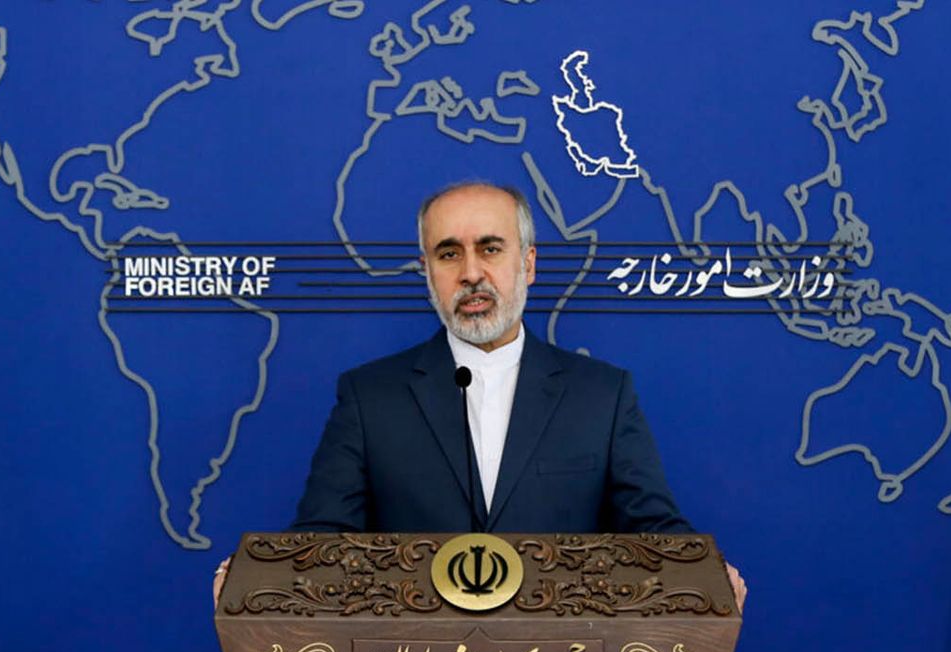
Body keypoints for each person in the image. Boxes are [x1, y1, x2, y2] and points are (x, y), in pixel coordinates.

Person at [214, 181, 745, 609]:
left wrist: (702, 574)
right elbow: (321, 542)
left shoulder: (602, 396)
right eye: (449, 254)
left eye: (490, 248)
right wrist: (262, 580)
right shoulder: (369, 397)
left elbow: (653, 532)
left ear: (528, 263)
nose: (471, 273)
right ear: (427, 272)